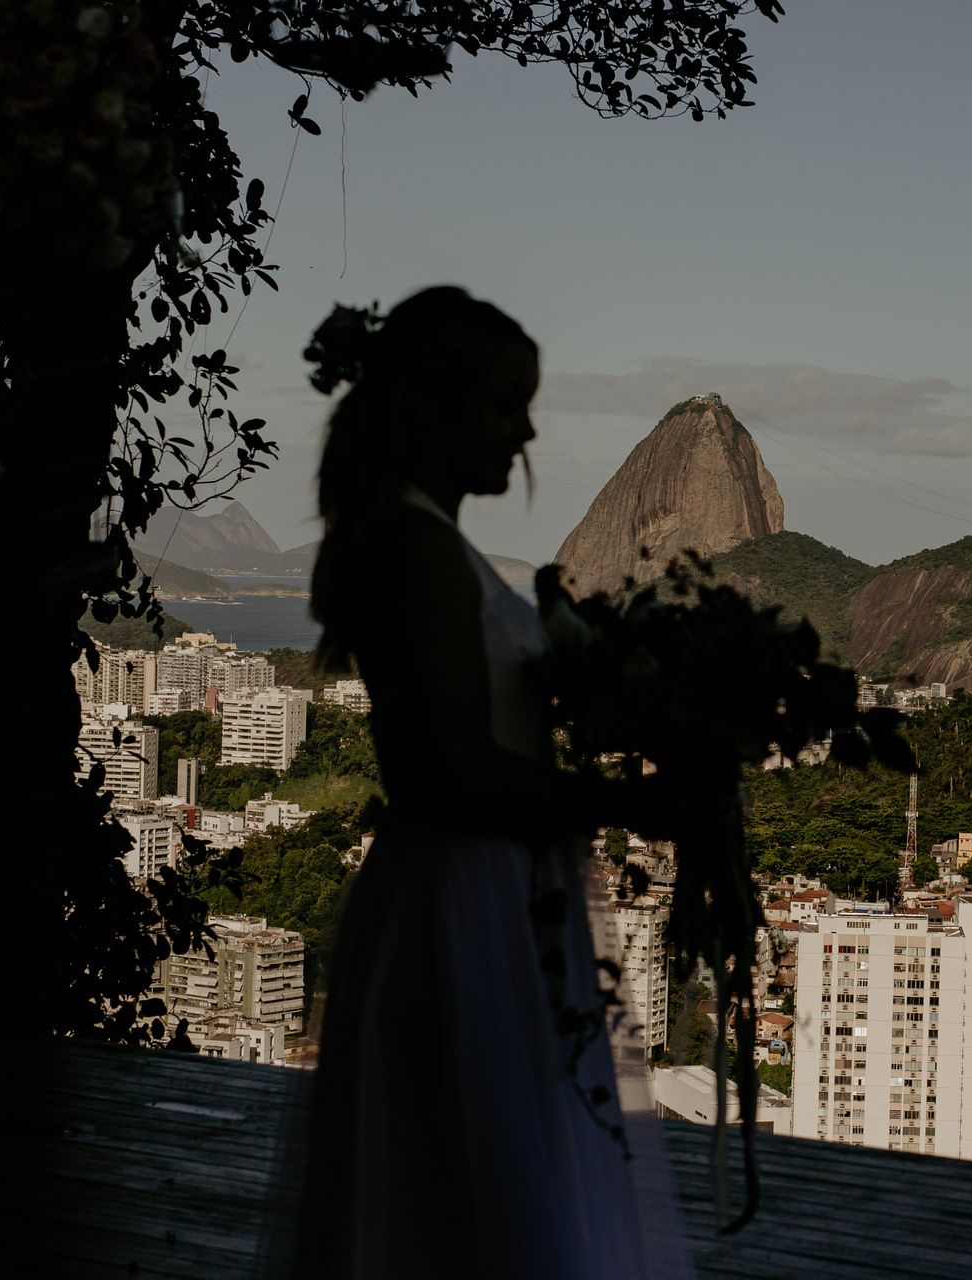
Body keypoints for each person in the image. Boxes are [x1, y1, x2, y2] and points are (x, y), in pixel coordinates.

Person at [279, 287, 687, 1278]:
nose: (528, 428)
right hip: (466, 900)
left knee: (469, 1187)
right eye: (507, 401)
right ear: (431, 402)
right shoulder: (419, 546)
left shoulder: (428, 539)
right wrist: (627, 803)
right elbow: (443, 768)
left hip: (481, 894)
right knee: (478, 1191)